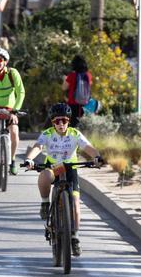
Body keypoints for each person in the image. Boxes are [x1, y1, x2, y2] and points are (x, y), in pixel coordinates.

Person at [22, 103, 103, 256]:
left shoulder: (75, 134)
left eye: (64, 121)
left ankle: (75, 237)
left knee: (76, 207)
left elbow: (88, 148)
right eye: (57, 121)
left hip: (70, 169)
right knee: (44, 175)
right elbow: (38, 146)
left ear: (69, 121)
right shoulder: (47, 134)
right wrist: (29, 159)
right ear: (53, 122)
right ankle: (45, 203)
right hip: (53, 167)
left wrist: (97, 157)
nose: (61, 124)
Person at [62, 55, 92, 127]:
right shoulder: (88, 75)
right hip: (85, 104)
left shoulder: (72, 75)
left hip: (73, 103)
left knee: (71, 126)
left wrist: (64, 79)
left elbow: (64, 87)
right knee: (82, 126)